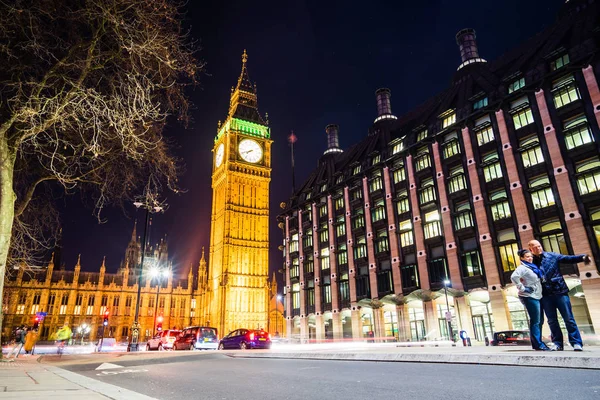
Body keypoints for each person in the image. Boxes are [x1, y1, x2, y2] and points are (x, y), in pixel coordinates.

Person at [528, 240, 591, 351]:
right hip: (545, 295)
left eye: (539, 246)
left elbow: (568, 259)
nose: (538, 248)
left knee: (569, 318)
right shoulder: (531, 263)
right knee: (552, 320)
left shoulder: (552, 256)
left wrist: (582, 257)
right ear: (530, 249)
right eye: (535, 247)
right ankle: (557, 343)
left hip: (560, 292)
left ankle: (576, 343)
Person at [511, 249, 550, 351]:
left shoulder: (532, 267)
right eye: (527, 256)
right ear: (522, 258)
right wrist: (523, 288)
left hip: (537, 295)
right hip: (529, 296)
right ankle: (538, 344)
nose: (530, 258)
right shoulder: (522, 268)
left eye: (531, 256)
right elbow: (514, 277)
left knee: (540, 320)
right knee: (536, 321)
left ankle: (537, 343)